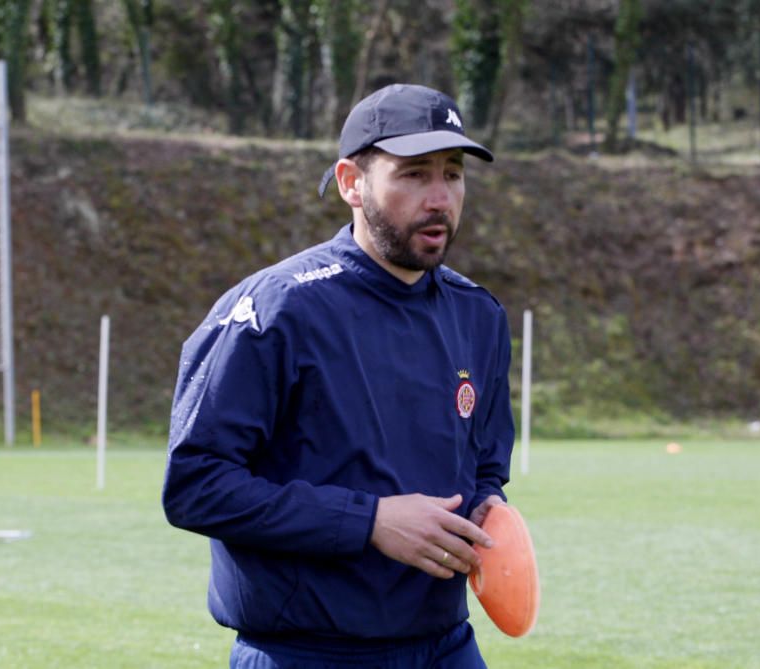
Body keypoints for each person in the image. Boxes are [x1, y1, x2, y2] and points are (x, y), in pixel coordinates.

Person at [162, 83, 516, 668]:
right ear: (352, 182)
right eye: (413, 174)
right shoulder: (274, 311)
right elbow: (196, 486)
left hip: (447, 646)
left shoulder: (478, 315)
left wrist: (487, 503)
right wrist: (369, 522)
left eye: (453, 175)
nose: (440, 197)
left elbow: (484, 464)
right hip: (306, 652)